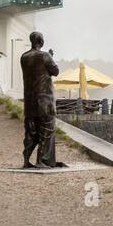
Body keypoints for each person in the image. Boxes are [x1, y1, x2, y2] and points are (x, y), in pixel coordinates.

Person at [20, 31, 65, 168]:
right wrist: (51, 56)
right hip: (44, 101)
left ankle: (27, 160)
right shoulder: (45, 56)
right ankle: (42, 160)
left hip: (29, 101)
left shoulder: (24, 57)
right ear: (41, 41)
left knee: (31, 132)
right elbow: (55, 71)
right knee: (46, 131)